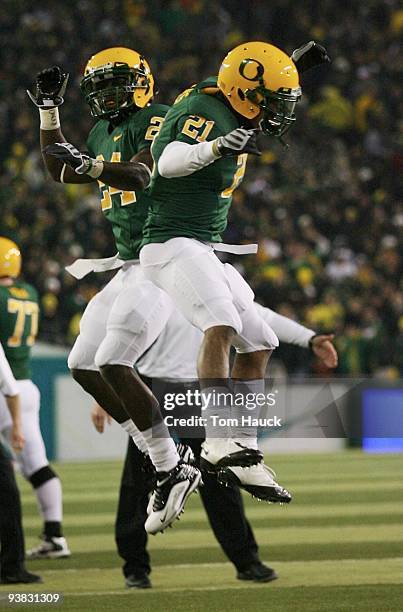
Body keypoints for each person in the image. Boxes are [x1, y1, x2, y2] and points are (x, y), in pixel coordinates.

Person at [138, 40, 327, 498]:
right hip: (170, 241)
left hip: (202, 244)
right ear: (245, 91)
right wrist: (217, 147)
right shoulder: (205, 110)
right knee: (220, 323)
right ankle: (218, 442)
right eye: (272, 100)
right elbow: (166, 162)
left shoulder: (232, 101)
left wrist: (293, 66)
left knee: (261, 339)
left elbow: (251, 82)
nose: (277, 111)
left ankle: (242, 450)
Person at [28, 47, 201, 534]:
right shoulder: (102, 131)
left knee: (112, 359)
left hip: (165, 256)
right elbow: (59, 168)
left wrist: (90, 167)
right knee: (81, 361)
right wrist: (48, 113)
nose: (106, 94)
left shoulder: (162, 118)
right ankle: (161, 455)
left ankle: (171, 467)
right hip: (129, 264)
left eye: (116, 83)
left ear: (143, 81)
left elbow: (142, 173)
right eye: (98, 86)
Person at [91, 303, 337, 587]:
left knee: (219, 478)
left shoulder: (207, 278)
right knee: (140, 477)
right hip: (149, 388)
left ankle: (246, 561)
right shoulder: (153, 281)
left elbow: (257, 316)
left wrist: (308, 338)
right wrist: (103, 394)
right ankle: (134, 567)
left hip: (197, 392)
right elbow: (113, 333)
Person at [0, 237, 70, 559]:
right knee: (37, 466)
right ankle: (55, 535)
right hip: (26, 387)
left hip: (4, 386)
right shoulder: (28, 293)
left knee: (7, 469)